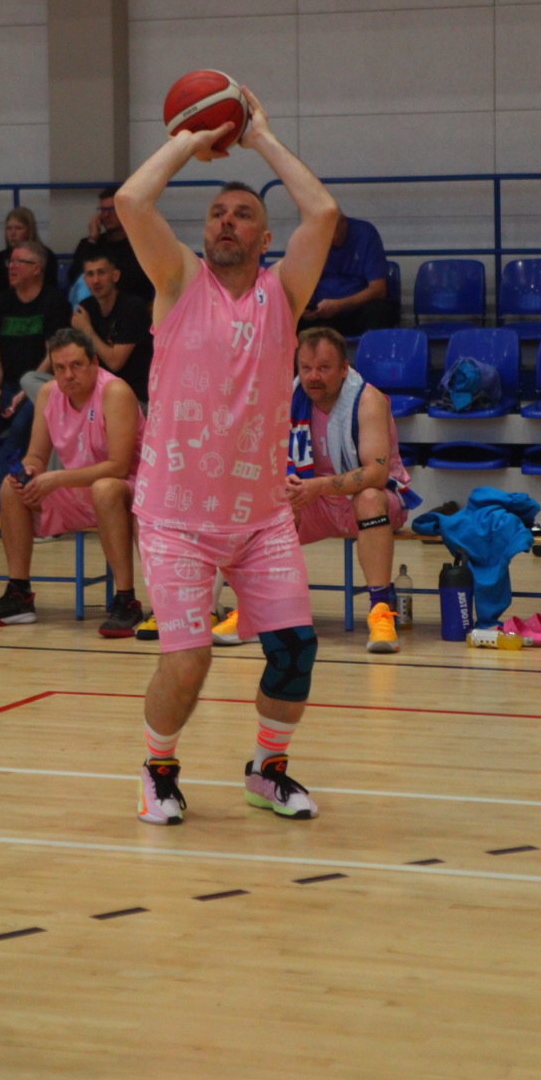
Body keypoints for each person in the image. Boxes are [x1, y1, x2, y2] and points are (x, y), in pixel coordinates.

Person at [116, 89, 337, 827]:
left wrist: (261, 136)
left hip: (261, 514)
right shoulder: (178, 281)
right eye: (216, 213)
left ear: (264, 236)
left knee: (295, 651)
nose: (225, 222)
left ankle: (266, 773)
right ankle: (157, 772)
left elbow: (323, 213)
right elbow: (132, 200)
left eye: (242, 214)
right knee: (189, 660)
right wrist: (190, 137)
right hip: (176, 516)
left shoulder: (284, 294)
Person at [0, 328, 146, 636]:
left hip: (129, 492)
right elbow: (37, 455)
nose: (68, 375)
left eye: (76, 365)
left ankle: (126, 599)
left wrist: (58, 478)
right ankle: (19, 594)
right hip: (79, 488)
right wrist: (29, 472)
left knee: (104, 488)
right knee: (11, 489)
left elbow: (118, 467)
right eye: (60, 368)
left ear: (94, 363)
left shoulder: (115, 392)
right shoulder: (49, 394)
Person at [285, 327, 413, 655]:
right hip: (315, 500)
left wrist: (321, 485)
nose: (313, 377)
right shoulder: (288, 397)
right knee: (266, 505)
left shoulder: (367, 400)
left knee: (369, 499)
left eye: (323, 368)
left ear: (344, 368)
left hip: (374, 500)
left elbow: (376, 474)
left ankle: (380, 612)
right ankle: (260, 611)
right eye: (306, 368)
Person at [0, 240, 70, 515]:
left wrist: (25, 392)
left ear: (37, 268)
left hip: (40, 387)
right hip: (7, 384)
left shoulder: (54, 302)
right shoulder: (2, 302)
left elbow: (53, 355)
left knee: (20, 427)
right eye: (10, 262)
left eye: (18, 262)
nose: (11, 267)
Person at [72, 247, 153, 403]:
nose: (95, 280)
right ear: (85, 280)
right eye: (90, 274)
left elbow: (115, 363)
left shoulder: (132, 307)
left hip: (132, 397)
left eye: (101, 273)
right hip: (97, 392)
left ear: (115, 276)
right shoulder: (86, 307)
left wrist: (87, 330)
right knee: (40, 385)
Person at [299, 211, 395, 336]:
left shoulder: (366, 234)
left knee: (377, 310)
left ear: (343, 222)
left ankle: (372, 347)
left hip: (357, 310)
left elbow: (378, 290)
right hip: (322, 313)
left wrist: (340, 305)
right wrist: (305, 308)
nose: (325, 239)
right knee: (288, 314)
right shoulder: (309, 240)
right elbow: (301, 284)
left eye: (329, 232)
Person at [70, 184, 154, 304]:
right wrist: (92, 239)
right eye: (103, 210)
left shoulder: (139, 246)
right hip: (94, 306)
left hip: (131, 307)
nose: (106, 215)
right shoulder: (90, 244)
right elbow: (75, 277)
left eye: (112, 209)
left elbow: (140, 284)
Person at [0, 206, 59, 295]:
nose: (12, 233)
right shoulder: (0, 258)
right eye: (9, 228)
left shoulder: (46, 256)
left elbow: (50, 290)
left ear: (29, 230)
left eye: (18, 228)